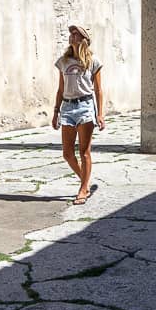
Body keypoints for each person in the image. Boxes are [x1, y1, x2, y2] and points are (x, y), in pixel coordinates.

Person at [51, 24, 105, 205]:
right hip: (67, 107)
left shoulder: (93, 61)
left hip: (85, 106)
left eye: (76, 34)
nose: (72, 36)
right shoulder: (64, 61)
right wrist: (56, 111)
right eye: (71, 34)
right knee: (67, 153)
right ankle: (86, 180)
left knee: (84, 152)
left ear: (84, 40)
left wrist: (100, 114)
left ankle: (83, 189)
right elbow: (60, 89)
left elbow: (98, 90)